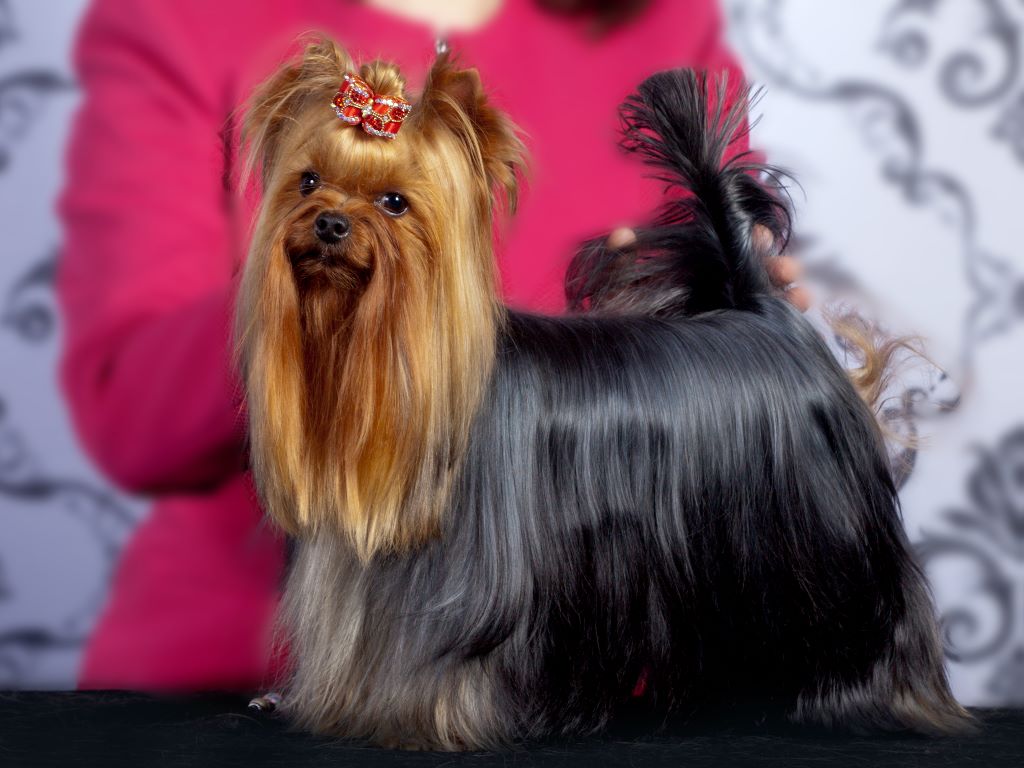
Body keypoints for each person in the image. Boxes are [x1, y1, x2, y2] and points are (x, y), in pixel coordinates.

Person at [58, 0, 807, 690]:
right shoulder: (177, 17)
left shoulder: (666, 22)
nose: (334, 217)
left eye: (391, 202)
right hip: (217, 681)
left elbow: (725, 276)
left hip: (616, 677)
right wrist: (295, 309)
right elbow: (128, 410)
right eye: (311, 186)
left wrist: (727, 323)